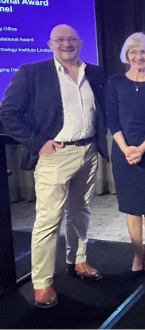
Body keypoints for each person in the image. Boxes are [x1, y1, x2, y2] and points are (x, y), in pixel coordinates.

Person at [0, 24, 108, 308]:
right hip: (55, 155)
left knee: (80, 211)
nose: (66, 44)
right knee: (49, 220)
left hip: (88, 151)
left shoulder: (94, 72)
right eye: (60, 40)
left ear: (80, 43)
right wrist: (38, 143)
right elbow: (8, 114)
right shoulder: (31, 72)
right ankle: (42, 283)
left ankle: (79, 260)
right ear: (50, 44)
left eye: (72, 39)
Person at [106, 32, 145, 277]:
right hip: (123, 151)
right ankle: (138, 252)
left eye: (143, 51)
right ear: (127, 55)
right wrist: (126, 150)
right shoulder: (115, 82)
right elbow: (112, 119)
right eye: (134, 51)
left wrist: (141, 149)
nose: (138, 56)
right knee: (132, 207)